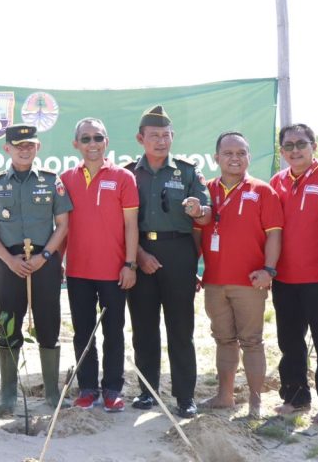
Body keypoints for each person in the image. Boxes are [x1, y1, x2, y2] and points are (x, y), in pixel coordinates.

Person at [0, 124, 72, 412]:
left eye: (29, 144)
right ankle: (8, 394)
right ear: (7, 148)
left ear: (38, 147)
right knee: (7, 322)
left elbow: (63, 225)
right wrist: (9, 260)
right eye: (18, 145)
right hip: (10, 262)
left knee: (48, 322)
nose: (24, 149)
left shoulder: (51, 181)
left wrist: (44, 256)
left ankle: (52, 392)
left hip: (44, 260)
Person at [126, 105, 210, 418]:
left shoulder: (187, 171)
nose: (161, 141)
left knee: (180, 329)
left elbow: (208, 211)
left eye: (166, 135)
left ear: (172, 136)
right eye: (154, 136)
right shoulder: (127, 173)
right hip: (141, 252)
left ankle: (185, 396)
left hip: (178, 254)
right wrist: (138, 256)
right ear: (140, 138)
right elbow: (120, 224)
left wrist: (197, 209)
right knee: (144, 328)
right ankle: (147, 392)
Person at [196, 131, 283, 418]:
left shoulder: (262, 191)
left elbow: (274, 235)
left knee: (252, 341)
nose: (235, 158)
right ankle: (225, 396)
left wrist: (268, 270)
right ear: (216, 157)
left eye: (241, 153)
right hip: (214, 282)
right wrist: (193, 271)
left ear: (248, 156)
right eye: (228, 153)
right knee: (223, 339)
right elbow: (196, 236)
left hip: (250, 282)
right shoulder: (205, 191)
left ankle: (256, 402)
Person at [59, 118, 138, 412]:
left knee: (114, 332)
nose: (93, 144)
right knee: (83, 332)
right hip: (78, 271)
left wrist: (129, 264)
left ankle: (113, 389)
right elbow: (62, 227)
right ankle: (88, 388)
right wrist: (58, 262)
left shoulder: (123, 178)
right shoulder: (65, 179)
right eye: (86, 138)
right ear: (76, 144)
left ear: (107, 142)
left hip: (114, 270)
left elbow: (131, 225)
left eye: (98, 138)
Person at [268, 124, 318, 426]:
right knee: (289, 341)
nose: (295, 150)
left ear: (314, 146)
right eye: (288, 145)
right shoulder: (277, 181)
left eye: (301, 144)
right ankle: (296, 397)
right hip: (284, 278)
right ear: (282, 150)